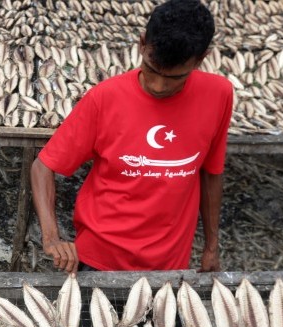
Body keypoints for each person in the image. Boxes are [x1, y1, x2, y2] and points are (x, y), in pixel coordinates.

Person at [31, 0, 233, 273]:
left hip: (169, 264)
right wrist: (51, 237)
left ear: (202, 58)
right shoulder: (104, 98)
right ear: (142, 44)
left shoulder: (219, 95)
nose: (158, 86)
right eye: (151, 69)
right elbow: (43, 165)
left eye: (175, 78)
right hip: (97, 258)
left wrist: (211, 247)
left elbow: (211, 171)